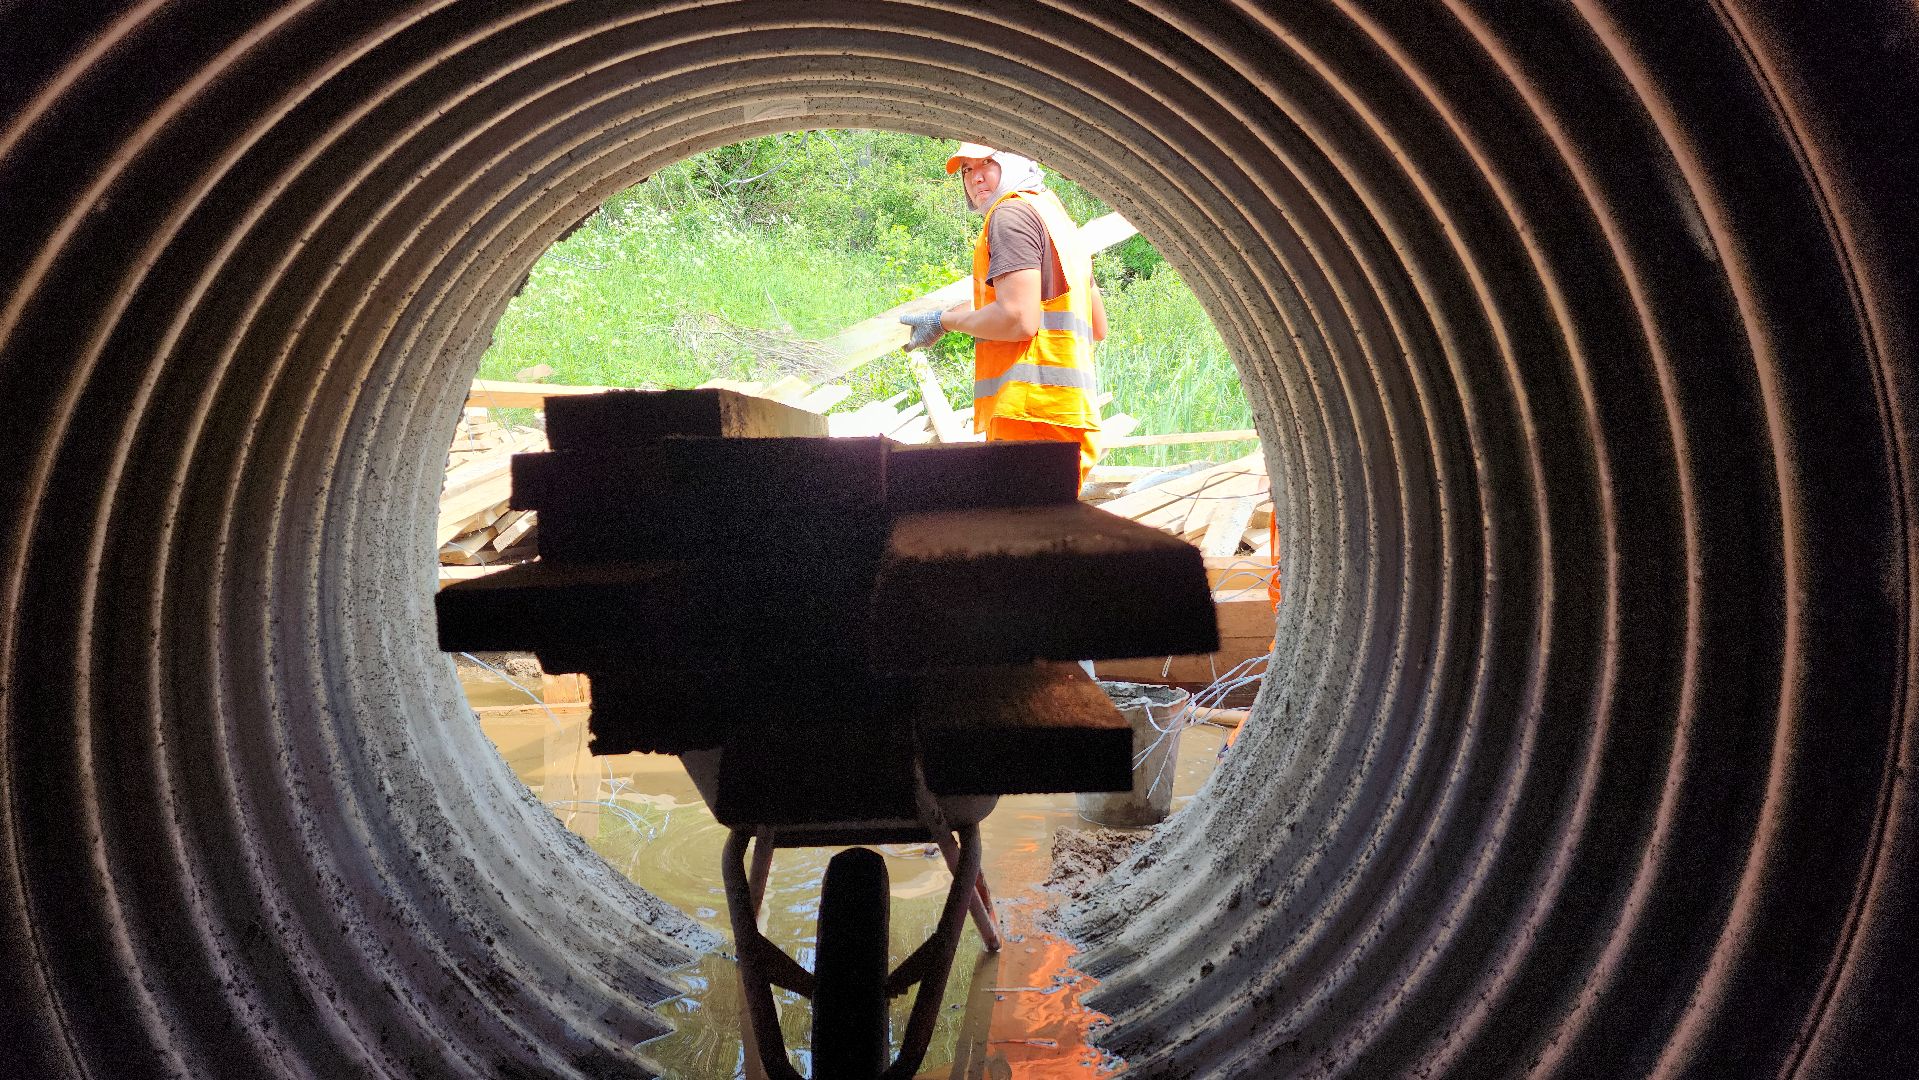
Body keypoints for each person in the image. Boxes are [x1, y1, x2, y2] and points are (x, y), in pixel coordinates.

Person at [900, 142, 1107, 485]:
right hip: (1068, 415)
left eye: (987, 164)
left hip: (1029, 415)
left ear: (1012, 161)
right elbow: (1096, 325)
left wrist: (944, 321)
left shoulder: (1009, 215)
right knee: (1047, 534)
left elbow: (1018, 319)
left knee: (1021, 532)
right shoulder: (1055, 217)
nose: (975, 178)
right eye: (967, 169)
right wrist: (954, 316)